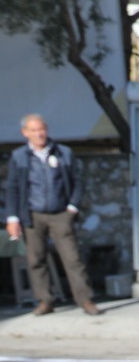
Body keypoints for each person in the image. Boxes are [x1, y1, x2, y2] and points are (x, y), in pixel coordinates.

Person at [7, 112, 101, 315]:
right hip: (33, 214)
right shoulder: (19, 156)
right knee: (36, 259)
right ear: (25, 133)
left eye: (41, 129)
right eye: (34, 130)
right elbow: (13, 188)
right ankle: (45, 300)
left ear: (46, 130)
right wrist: (12, 217)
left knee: (72, 258)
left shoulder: (63, 153)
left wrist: (72, 207)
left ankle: (85, 300)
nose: (39, 134)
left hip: (61, 214)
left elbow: (77, 181)